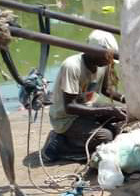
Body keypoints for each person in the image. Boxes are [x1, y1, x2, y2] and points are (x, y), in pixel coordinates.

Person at [42, 30, 126, 162]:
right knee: (106, 137)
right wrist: (106, 110)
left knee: (122, 119)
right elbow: (70, 107)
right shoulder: (72, 66)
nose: (109, 61)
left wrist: (126, 100)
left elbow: (106, 90)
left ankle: (77, 136)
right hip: (66, 118)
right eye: (106, 57)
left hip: (87, 107)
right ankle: (60, 145)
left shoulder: (103, 65)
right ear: (92, 51)